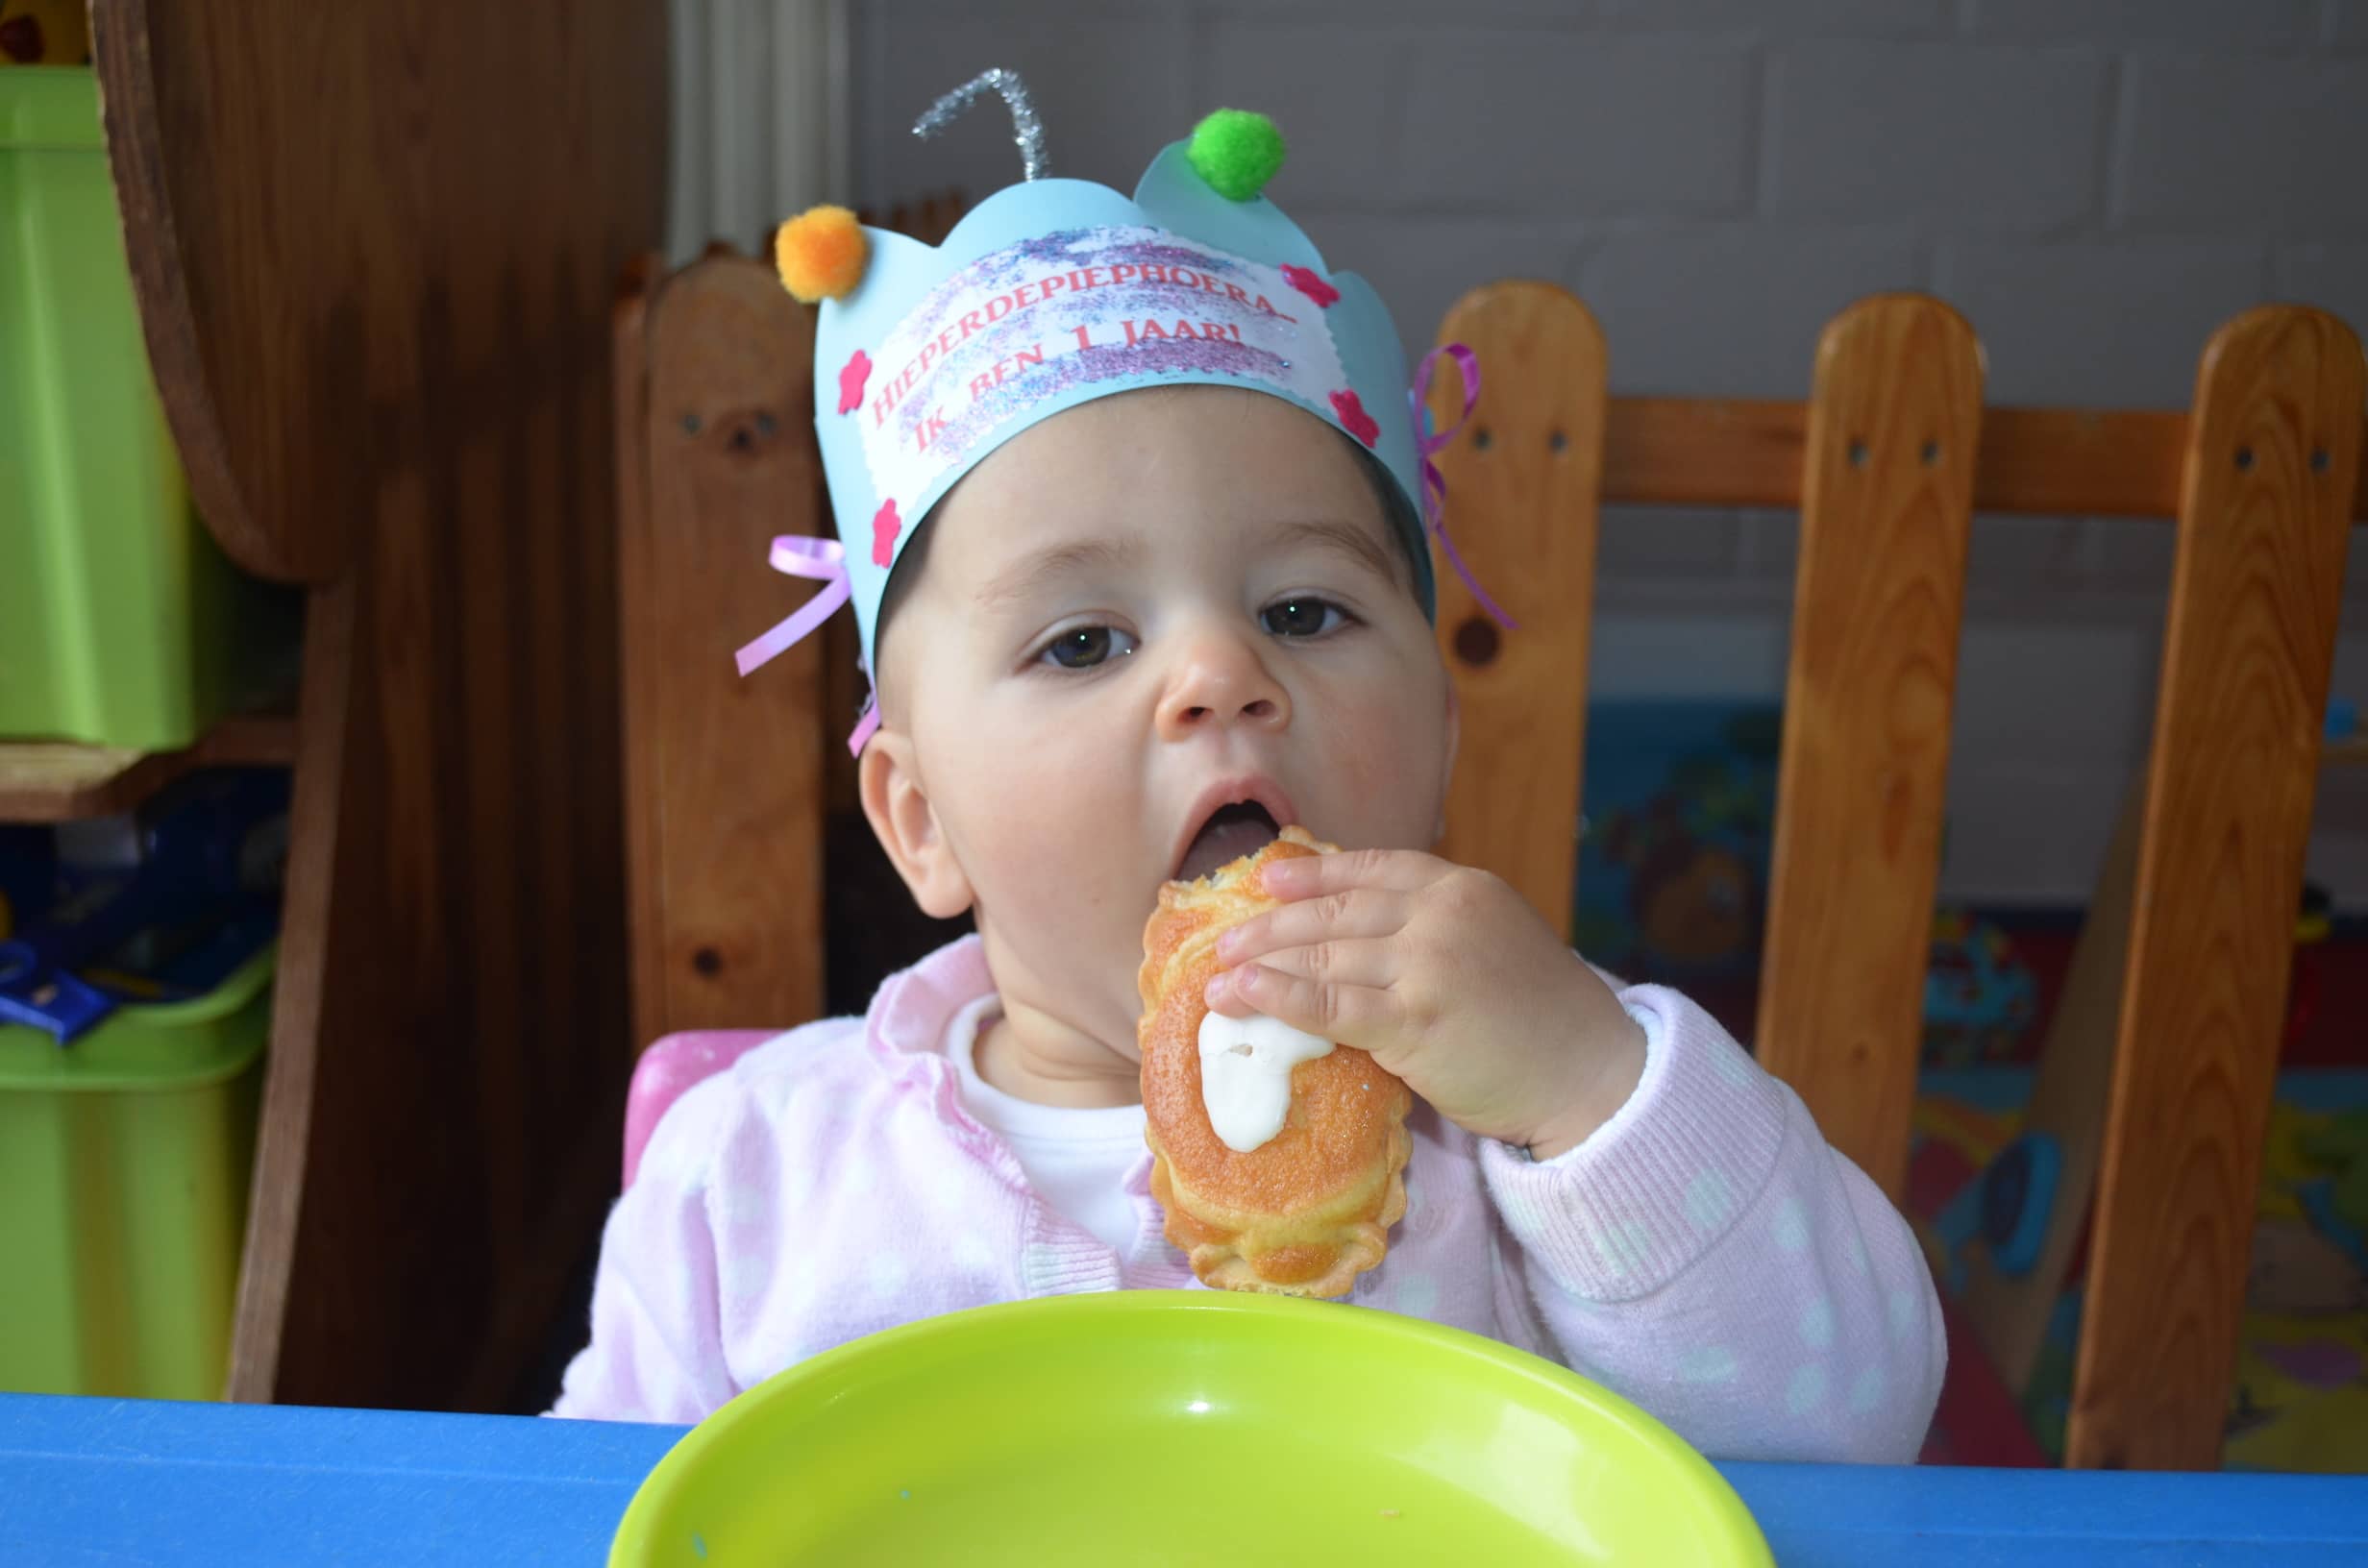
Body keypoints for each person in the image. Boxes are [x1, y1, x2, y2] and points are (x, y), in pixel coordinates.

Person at [554, 80, 1944, 1463]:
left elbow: (1856, 1430)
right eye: (1084, 642)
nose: (1221, 671)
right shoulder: (753, 1182)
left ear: (1441, 740)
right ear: (923, 822)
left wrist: (1586, 1089)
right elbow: (574, 1515)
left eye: (1303, 610)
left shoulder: (1514, 1136)